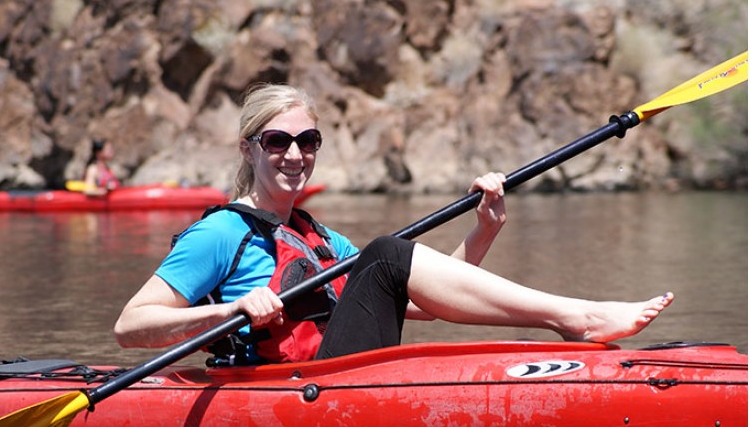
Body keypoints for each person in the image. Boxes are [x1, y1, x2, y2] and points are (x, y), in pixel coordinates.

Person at [115, 84, 673, 365]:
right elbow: (131, 326)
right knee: (385, 251)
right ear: (249, 148)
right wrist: (233, 308)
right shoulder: (220, 234)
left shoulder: (318, 237)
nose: (294, 154)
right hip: (293, 390)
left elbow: (426, 299)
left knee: (385, 257)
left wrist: (483, 230)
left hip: (347, 377)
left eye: (307, 141)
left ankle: (570, 321)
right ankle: (576, 317)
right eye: (277, 141)